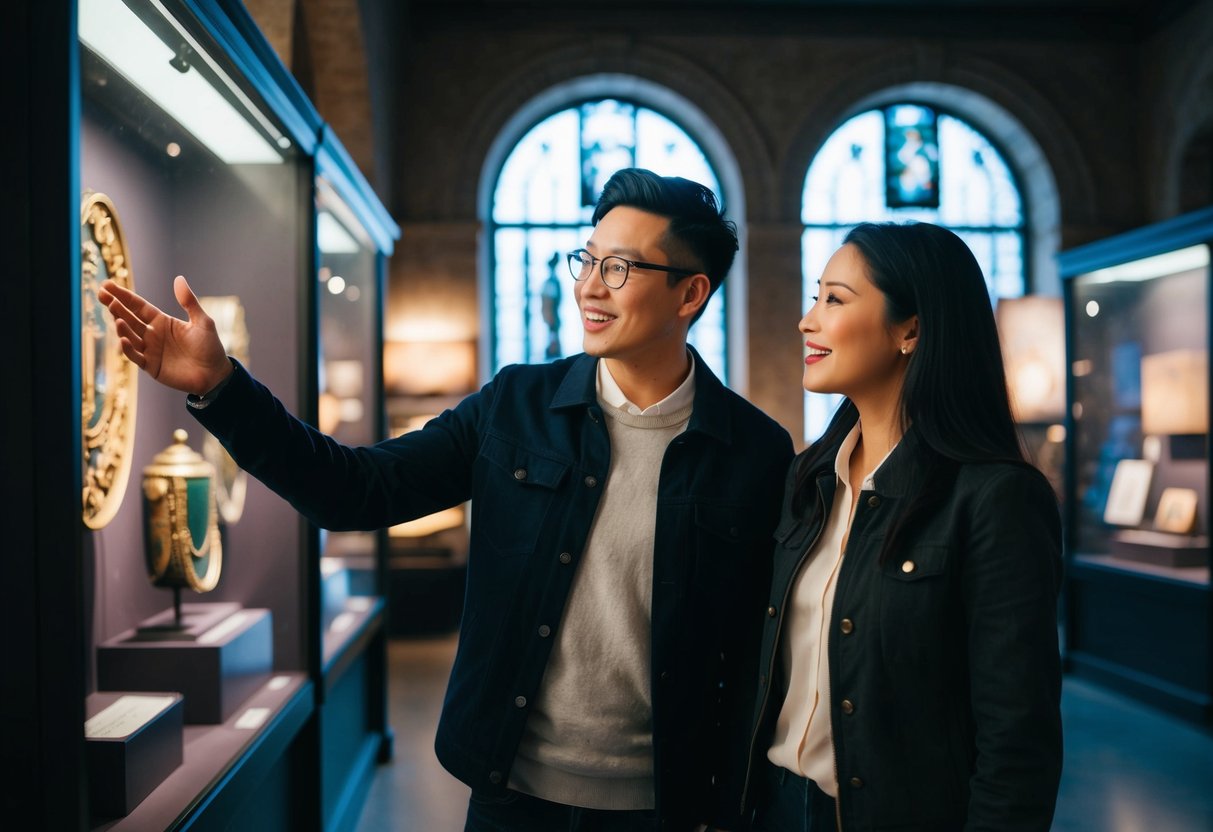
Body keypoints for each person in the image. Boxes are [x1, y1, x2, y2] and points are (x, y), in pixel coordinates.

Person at [99, 168, 793, 832]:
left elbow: (762, 654)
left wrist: (736, 805)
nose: (588, 286)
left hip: (669, 807)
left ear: (689, 294)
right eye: (586, 260)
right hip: (510, 796)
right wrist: (223, 389)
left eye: (618, 268)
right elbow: (354, 491)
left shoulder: (756, 453)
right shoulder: (516, 406)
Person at [740, 222, 1063, 831]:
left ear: (910, 330)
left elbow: (1018, 737)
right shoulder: (809, 479)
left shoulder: (996, 498)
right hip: (775, 809)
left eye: (835, 300)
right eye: (815, 298)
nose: (807, 321)